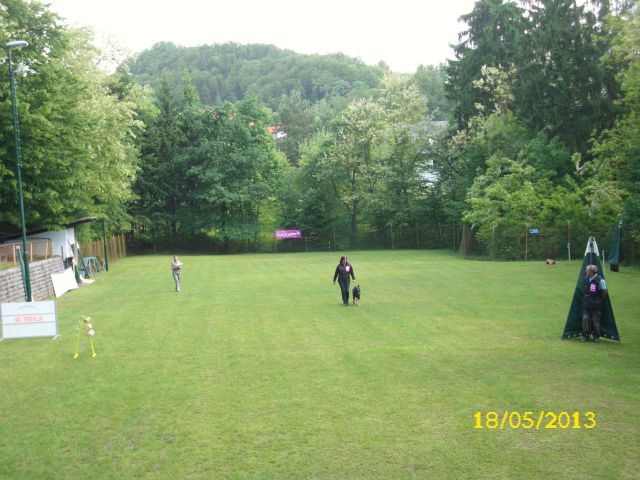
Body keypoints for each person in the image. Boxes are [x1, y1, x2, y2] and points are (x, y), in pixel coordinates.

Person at [582, 264, 607, 343]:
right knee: (585, 319)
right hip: (587, 303)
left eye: (587, 270)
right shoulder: (586, 278)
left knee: (595, 320)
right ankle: (586, 336)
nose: (586, 272)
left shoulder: (600, 280)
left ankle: (596, 337)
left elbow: (604, 292)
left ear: (591, 272)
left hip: (596, 304)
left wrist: (599, 299)